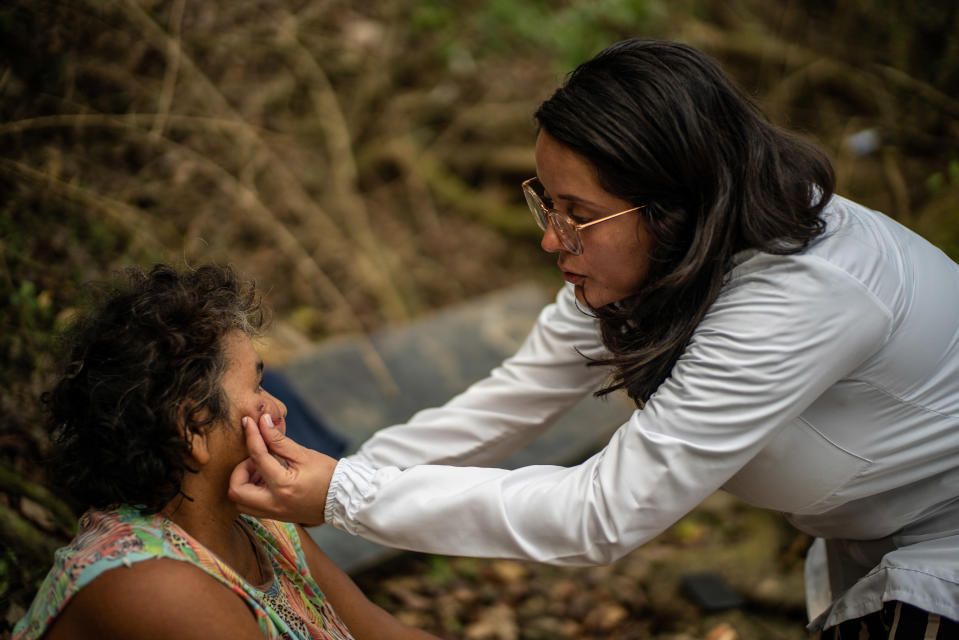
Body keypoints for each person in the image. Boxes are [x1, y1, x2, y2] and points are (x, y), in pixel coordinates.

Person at [229, 39, 959, 638]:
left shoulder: (803, 295)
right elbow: (503, 408)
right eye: (546, 202)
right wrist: (323, 479)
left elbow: (601, 514)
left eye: (576, 212)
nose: (551, 238)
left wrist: (343, 496)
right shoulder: (658, 261)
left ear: (675, 206)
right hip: (867, 532)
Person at [13, 264, 437, 640]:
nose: (279, 408)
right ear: (192, 429)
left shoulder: (263, 527)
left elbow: (385, 632)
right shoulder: (156, 583)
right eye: (255, 388)